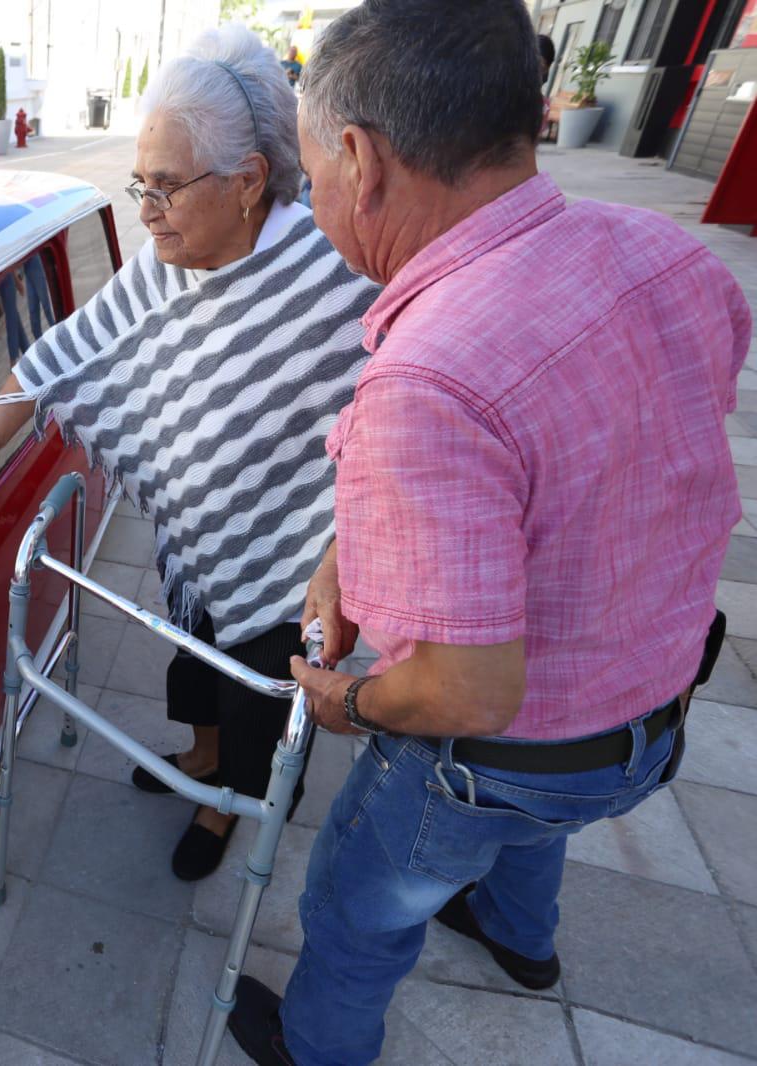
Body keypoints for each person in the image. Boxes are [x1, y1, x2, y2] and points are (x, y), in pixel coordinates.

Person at [224, 1, 751, 1064]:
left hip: (499, 754)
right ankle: (521, 938)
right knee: (533, 829)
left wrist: (349, 698)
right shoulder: (672, 257)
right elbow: (587, 482)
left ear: (360, 158)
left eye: (309, 171)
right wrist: (345, 554)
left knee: (358, 908)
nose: (313, 200)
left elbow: (469, 692)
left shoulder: (430, 378)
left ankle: (319, 1047)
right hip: (650, 716)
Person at [0, 25, 376, 881]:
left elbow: (389, 428)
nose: (145, 209)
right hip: (200, 532)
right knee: (194, 661)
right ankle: (200, 758)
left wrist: (348, 554)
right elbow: (63, 352)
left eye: (165, 186)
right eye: (139, 184)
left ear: (246, 181)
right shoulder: (167, 261)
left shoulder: (333, 277)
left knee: (256, 699)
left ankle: (229, 803)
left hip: (291, 558)